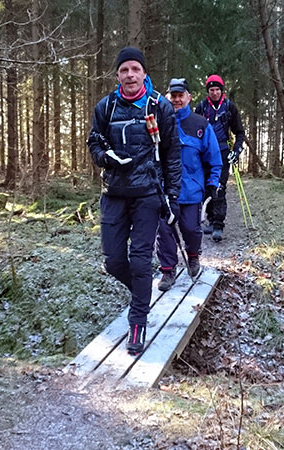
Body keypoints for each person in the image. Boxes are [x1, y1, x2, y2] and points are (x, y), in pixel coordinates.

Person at [87, 47, 181, 355]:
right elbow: (94, 141)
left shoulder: (160, 107)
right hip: (114, 193)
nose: (130, 75)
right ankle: (141, 292)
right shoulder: (106, 107)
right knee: (114, 262)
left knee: (140, 261)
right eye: (124, 69)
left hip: (147, 195)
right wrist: (103, 157)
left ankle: (137, 322)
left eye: (135, 69)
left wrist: (173, 195)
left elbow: (171, 153)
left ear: (143, 73)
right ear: (117, 75)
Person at [156, 78, 222, 291]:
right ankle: (168, 270)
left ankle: (193, 257)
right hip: (165, 189)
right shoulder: (158, 122)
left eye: (180, 95)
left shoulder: (200, 124)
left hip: (192, 189)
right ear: (167, 98)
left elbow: (214, 157)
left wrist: (213, 182)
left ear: (188, 97)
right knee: (164, 231)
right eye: (172, 96)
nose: (176, 100)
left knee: (191, 229)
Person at [194, 74, 246, 242]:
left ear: (222, 90)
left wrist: (237, 150)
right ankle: (209, 218)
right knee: (205, 187)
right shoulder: (201, 107)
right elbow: (193, 131)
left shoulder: (230, 107)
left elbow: (239, 132)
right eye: (211, 90)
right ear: (208, 91)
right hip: (204, 153)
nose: (214, 92)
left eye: (217, 89)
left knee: (219, 187)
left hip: (223, 151)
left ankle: (218, 225)